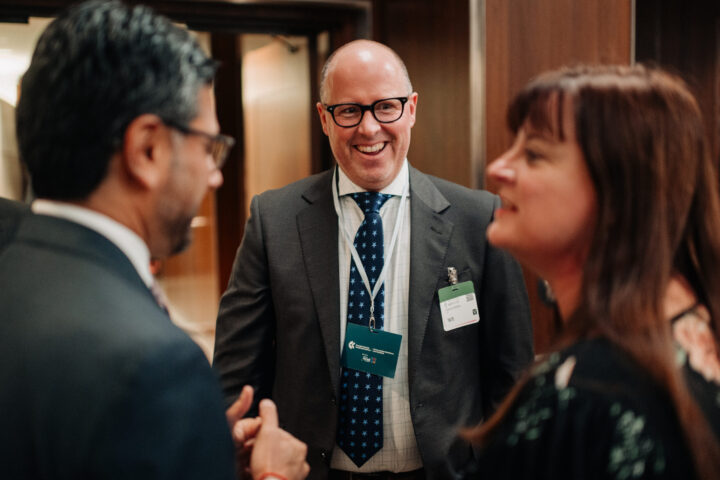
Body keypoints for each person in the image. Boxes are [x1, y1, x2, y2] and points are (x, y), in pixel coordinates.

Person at [0, 1, 308, 479]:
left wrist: (191, 444)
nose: (214, 176)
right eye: (209, 148)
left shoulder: (13, 270)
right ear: (147, 149)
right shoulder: (156, 368)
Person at [213, 39, 533, 479]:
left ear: (412, 109)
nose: (369, 129)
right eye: (349, 111)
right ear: (324, 118)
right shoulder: (275, 220)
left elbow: (512, 375)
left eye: (386, 107)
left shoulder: (478, 219)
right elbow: (237, 377)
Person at [465, 65, 720, 479]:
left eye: (534, 154)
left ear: (617, 190)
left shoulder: (585, 392)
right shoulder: (693, 332)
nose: (497, 168)